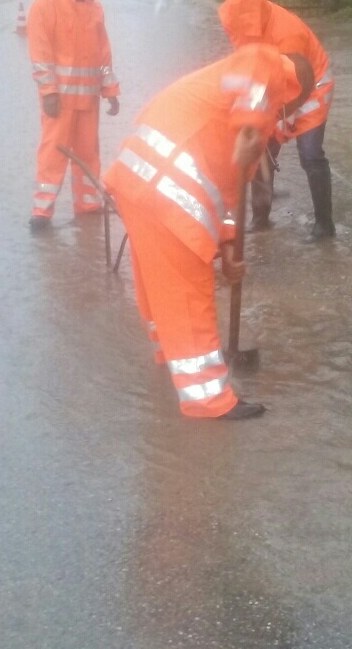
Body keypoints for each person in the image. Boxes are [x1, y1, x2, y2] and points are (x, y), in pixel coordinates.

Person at [102, 45, 314, 421]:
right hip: (164, 189)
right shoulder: (265, 70)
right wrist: (250, 126)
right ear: (292, 90)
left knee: (158, 281)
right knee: (186, 288)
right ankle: (208, 399)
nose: (290, 118)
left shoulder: (241, 101)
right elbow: (255, 67)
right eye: (293, 107)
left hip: (139, 181)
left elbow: (231, 193)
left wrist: (229, 245)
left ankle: (169, 351)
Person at [218, 0, 335, 242]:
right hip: (279, 88)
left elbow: (297, 88)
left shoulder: (288, 35)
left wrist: (274, 119)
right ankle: (260, 217)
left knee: (311, 155)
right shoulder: (250, 22)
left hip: (311, 88)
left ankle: (325, 225)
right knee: (261, 149)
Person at [26, 0, 120, 231]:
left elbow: (103, 54)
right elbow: (40, 54)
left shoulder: (95, 9)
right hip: (61, 101)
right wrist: (49, 93)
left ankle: (88, 204)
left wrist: (111, 90)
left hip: (88, 101)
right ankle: (41, 212)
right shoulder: (45, 6)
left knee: (88, 154)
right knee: (53, 154)